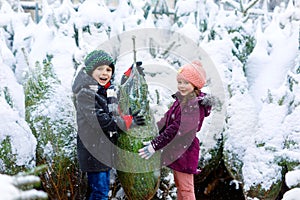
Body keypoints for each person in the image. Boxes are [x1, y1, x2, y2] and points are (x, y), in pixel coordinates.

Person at [72, 49, 145, 200]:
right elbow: (101, 121)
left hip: (103, 151)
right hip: (93, 152)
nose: (104, 73)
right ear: (91, 71)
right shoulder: (86, 94)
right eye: (100, 69)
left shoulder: (104, 91)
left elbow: (115, 101)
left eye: (108, 69)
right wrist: (127, 122)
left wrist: (129, 77)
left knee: (101, 190)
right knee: (100, 192)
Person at [138, 60, 212, 200]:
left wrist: (155, 144)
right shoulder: (181, 100)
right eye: (180, 82)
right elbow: (167, 120)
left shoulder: (195, 106)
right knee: (180, 187)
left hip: (185, 151)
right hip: (176, 150)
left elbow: (176, 128)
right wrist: (153, 132)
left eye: (186, 83)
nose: (182, 86)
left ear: (195, 85)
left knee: (186, 189)